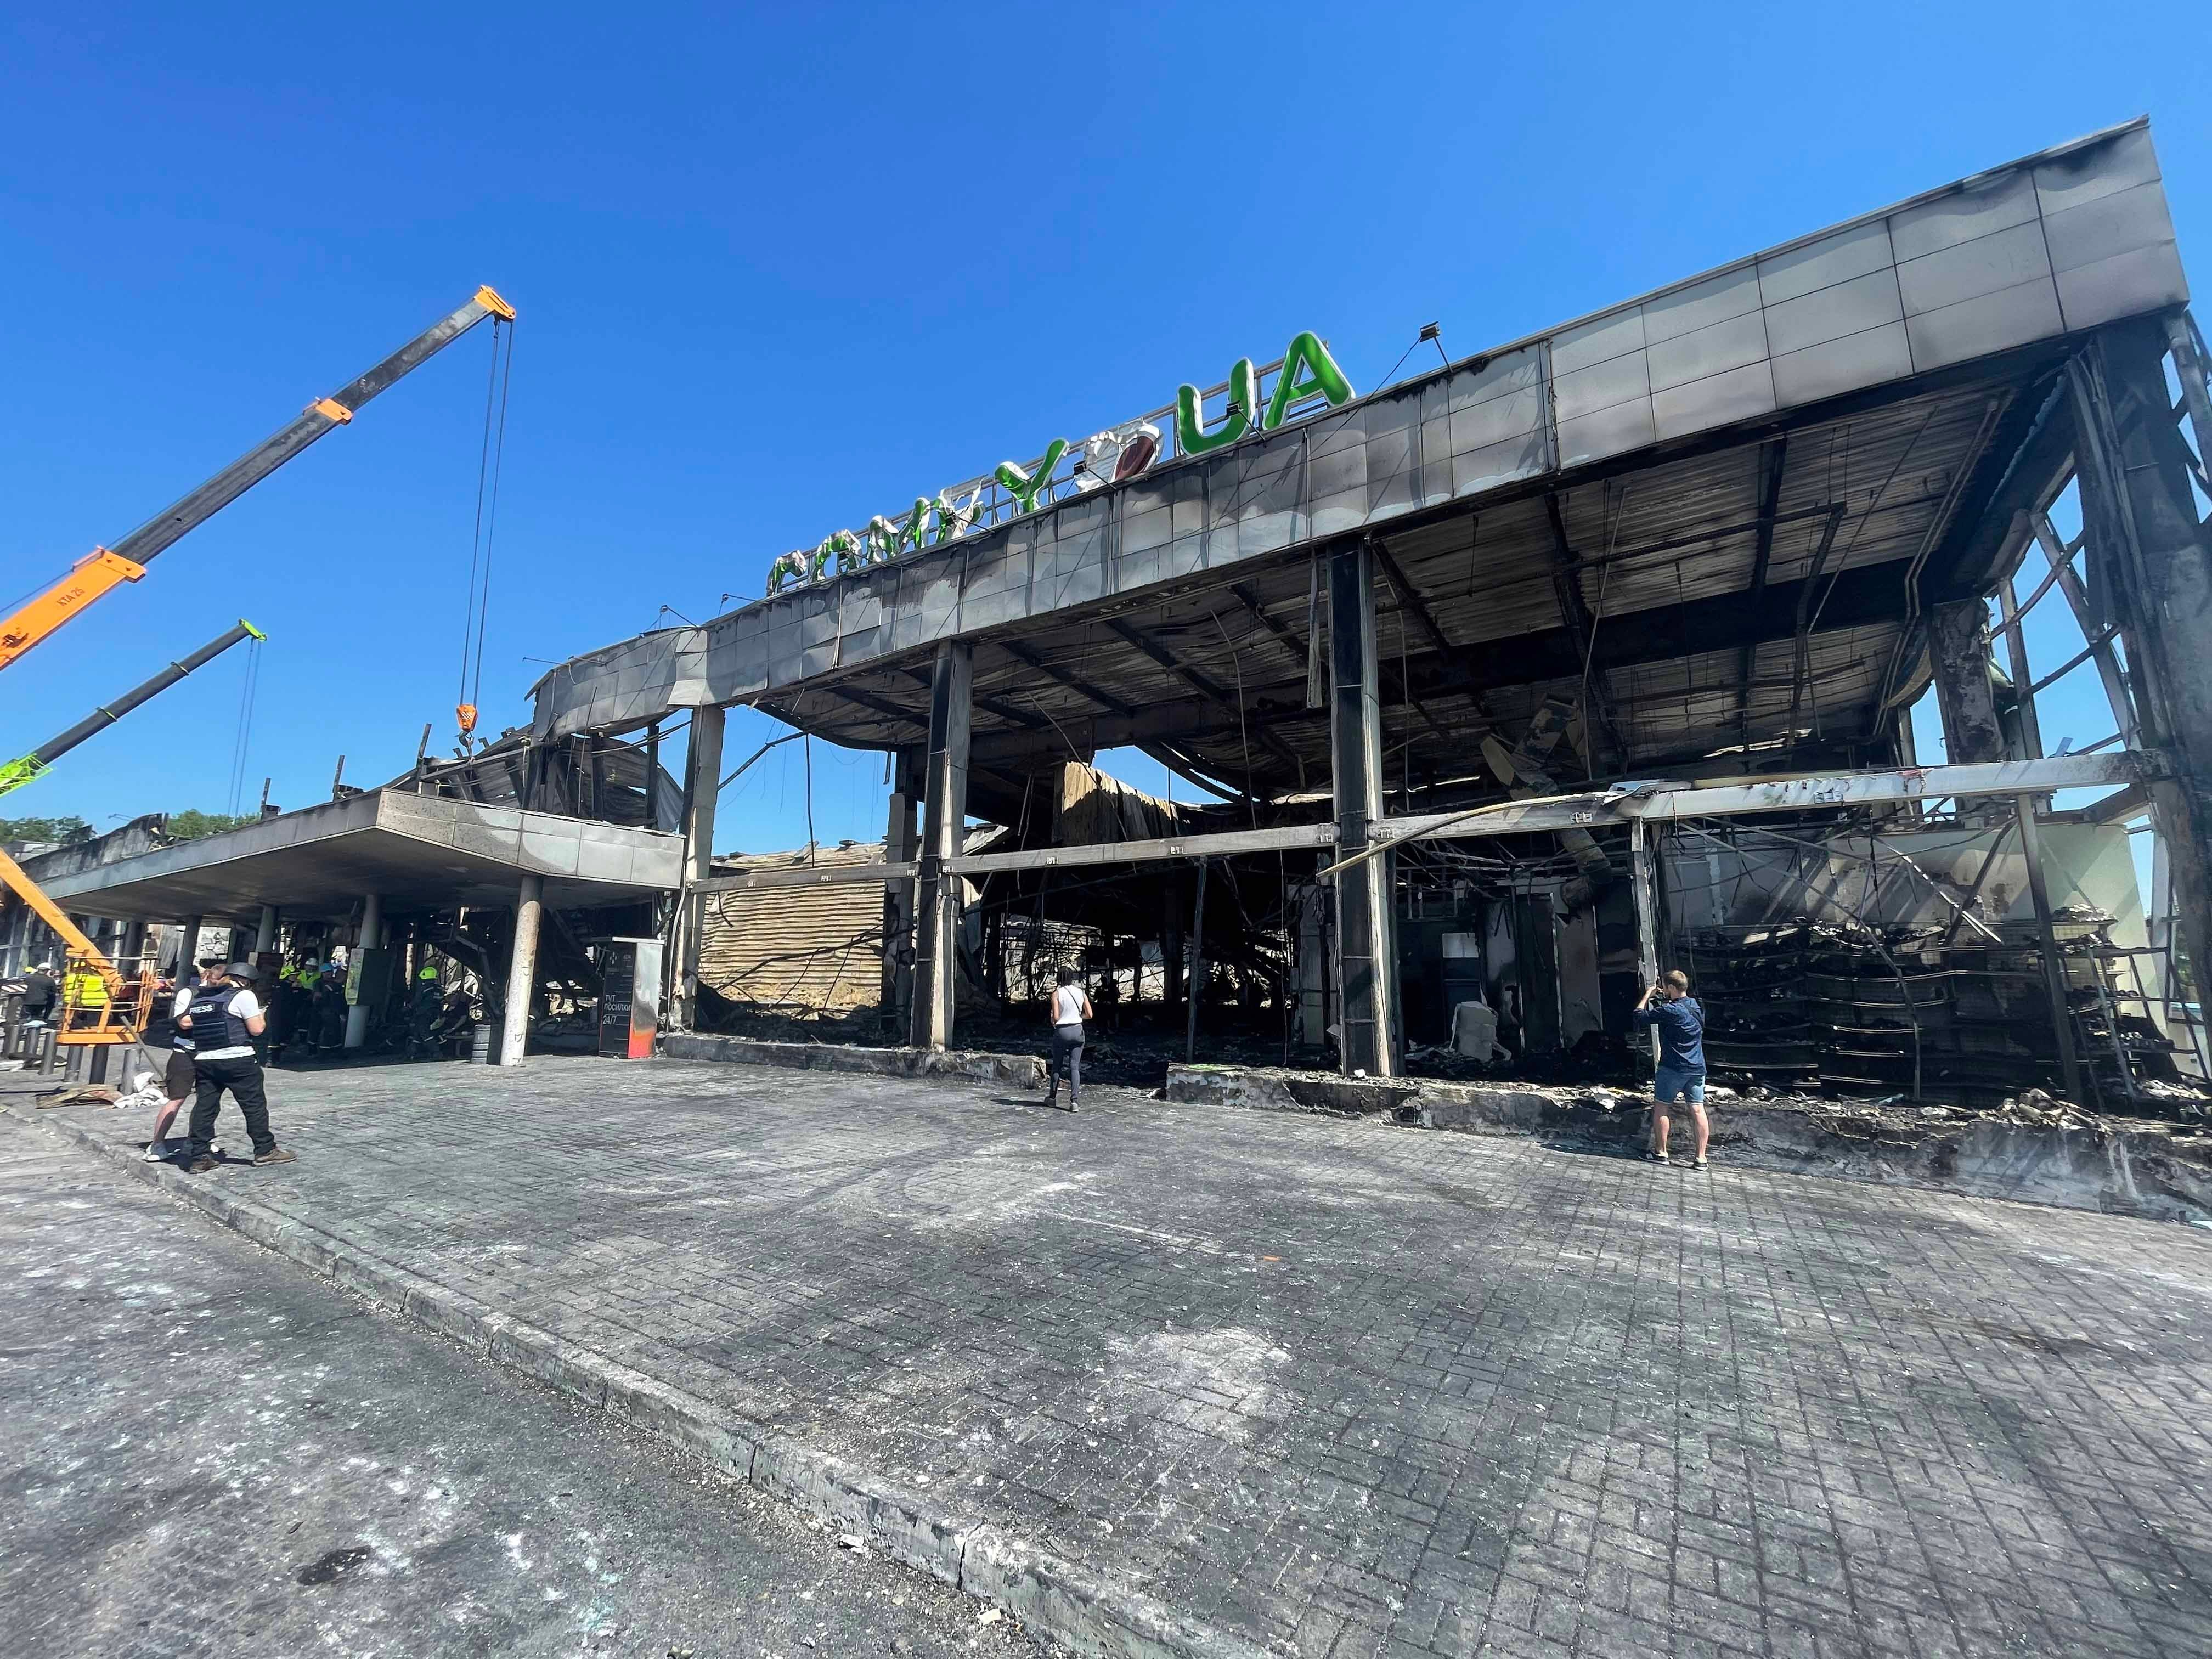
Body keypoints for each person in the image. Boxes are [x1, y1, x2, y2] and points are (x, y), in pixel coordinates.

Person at [175, 960, 293, 1171]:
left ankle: (200, 1156)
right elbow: (257, 1030)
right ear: (247, 980)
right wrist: (262, 1013)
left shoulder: (202, 997)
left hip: (204, 1060)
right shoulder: (243, 995)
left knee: (206, 1108)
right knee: (254, 1106)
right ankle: (265, 1150)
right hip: (238, 1059)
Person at [1633, 969, 1708, 1169]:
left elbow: (1639, 1017)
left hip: (1673, 1067)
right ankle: (1701, 1158)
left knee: (1662, 1107)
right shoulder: (1698, 1006)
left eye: (1666, 987)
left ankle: (1662, 1153)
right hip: (1697, 1067)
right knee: (1698, 1110)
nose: (1664, 990)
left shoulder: (1669, 1011)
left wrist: (1649, 994)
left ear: (1672, 988)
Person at [1044, 964, 1093, 1113]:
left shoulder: (1056, 994)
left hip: (1062, 1032)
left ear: (1059, 978)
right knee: (1074, 1067)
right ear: (1072, 977)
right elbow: (1090, 1014)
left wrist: (1052, 1018)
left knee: (1057, 1065)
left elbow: (1057, 1018)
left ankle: (1052, 1098)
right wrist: (1079, 1018)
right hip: (1078, 1031)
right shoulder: (1081, 993)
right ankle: (1074, 1102)